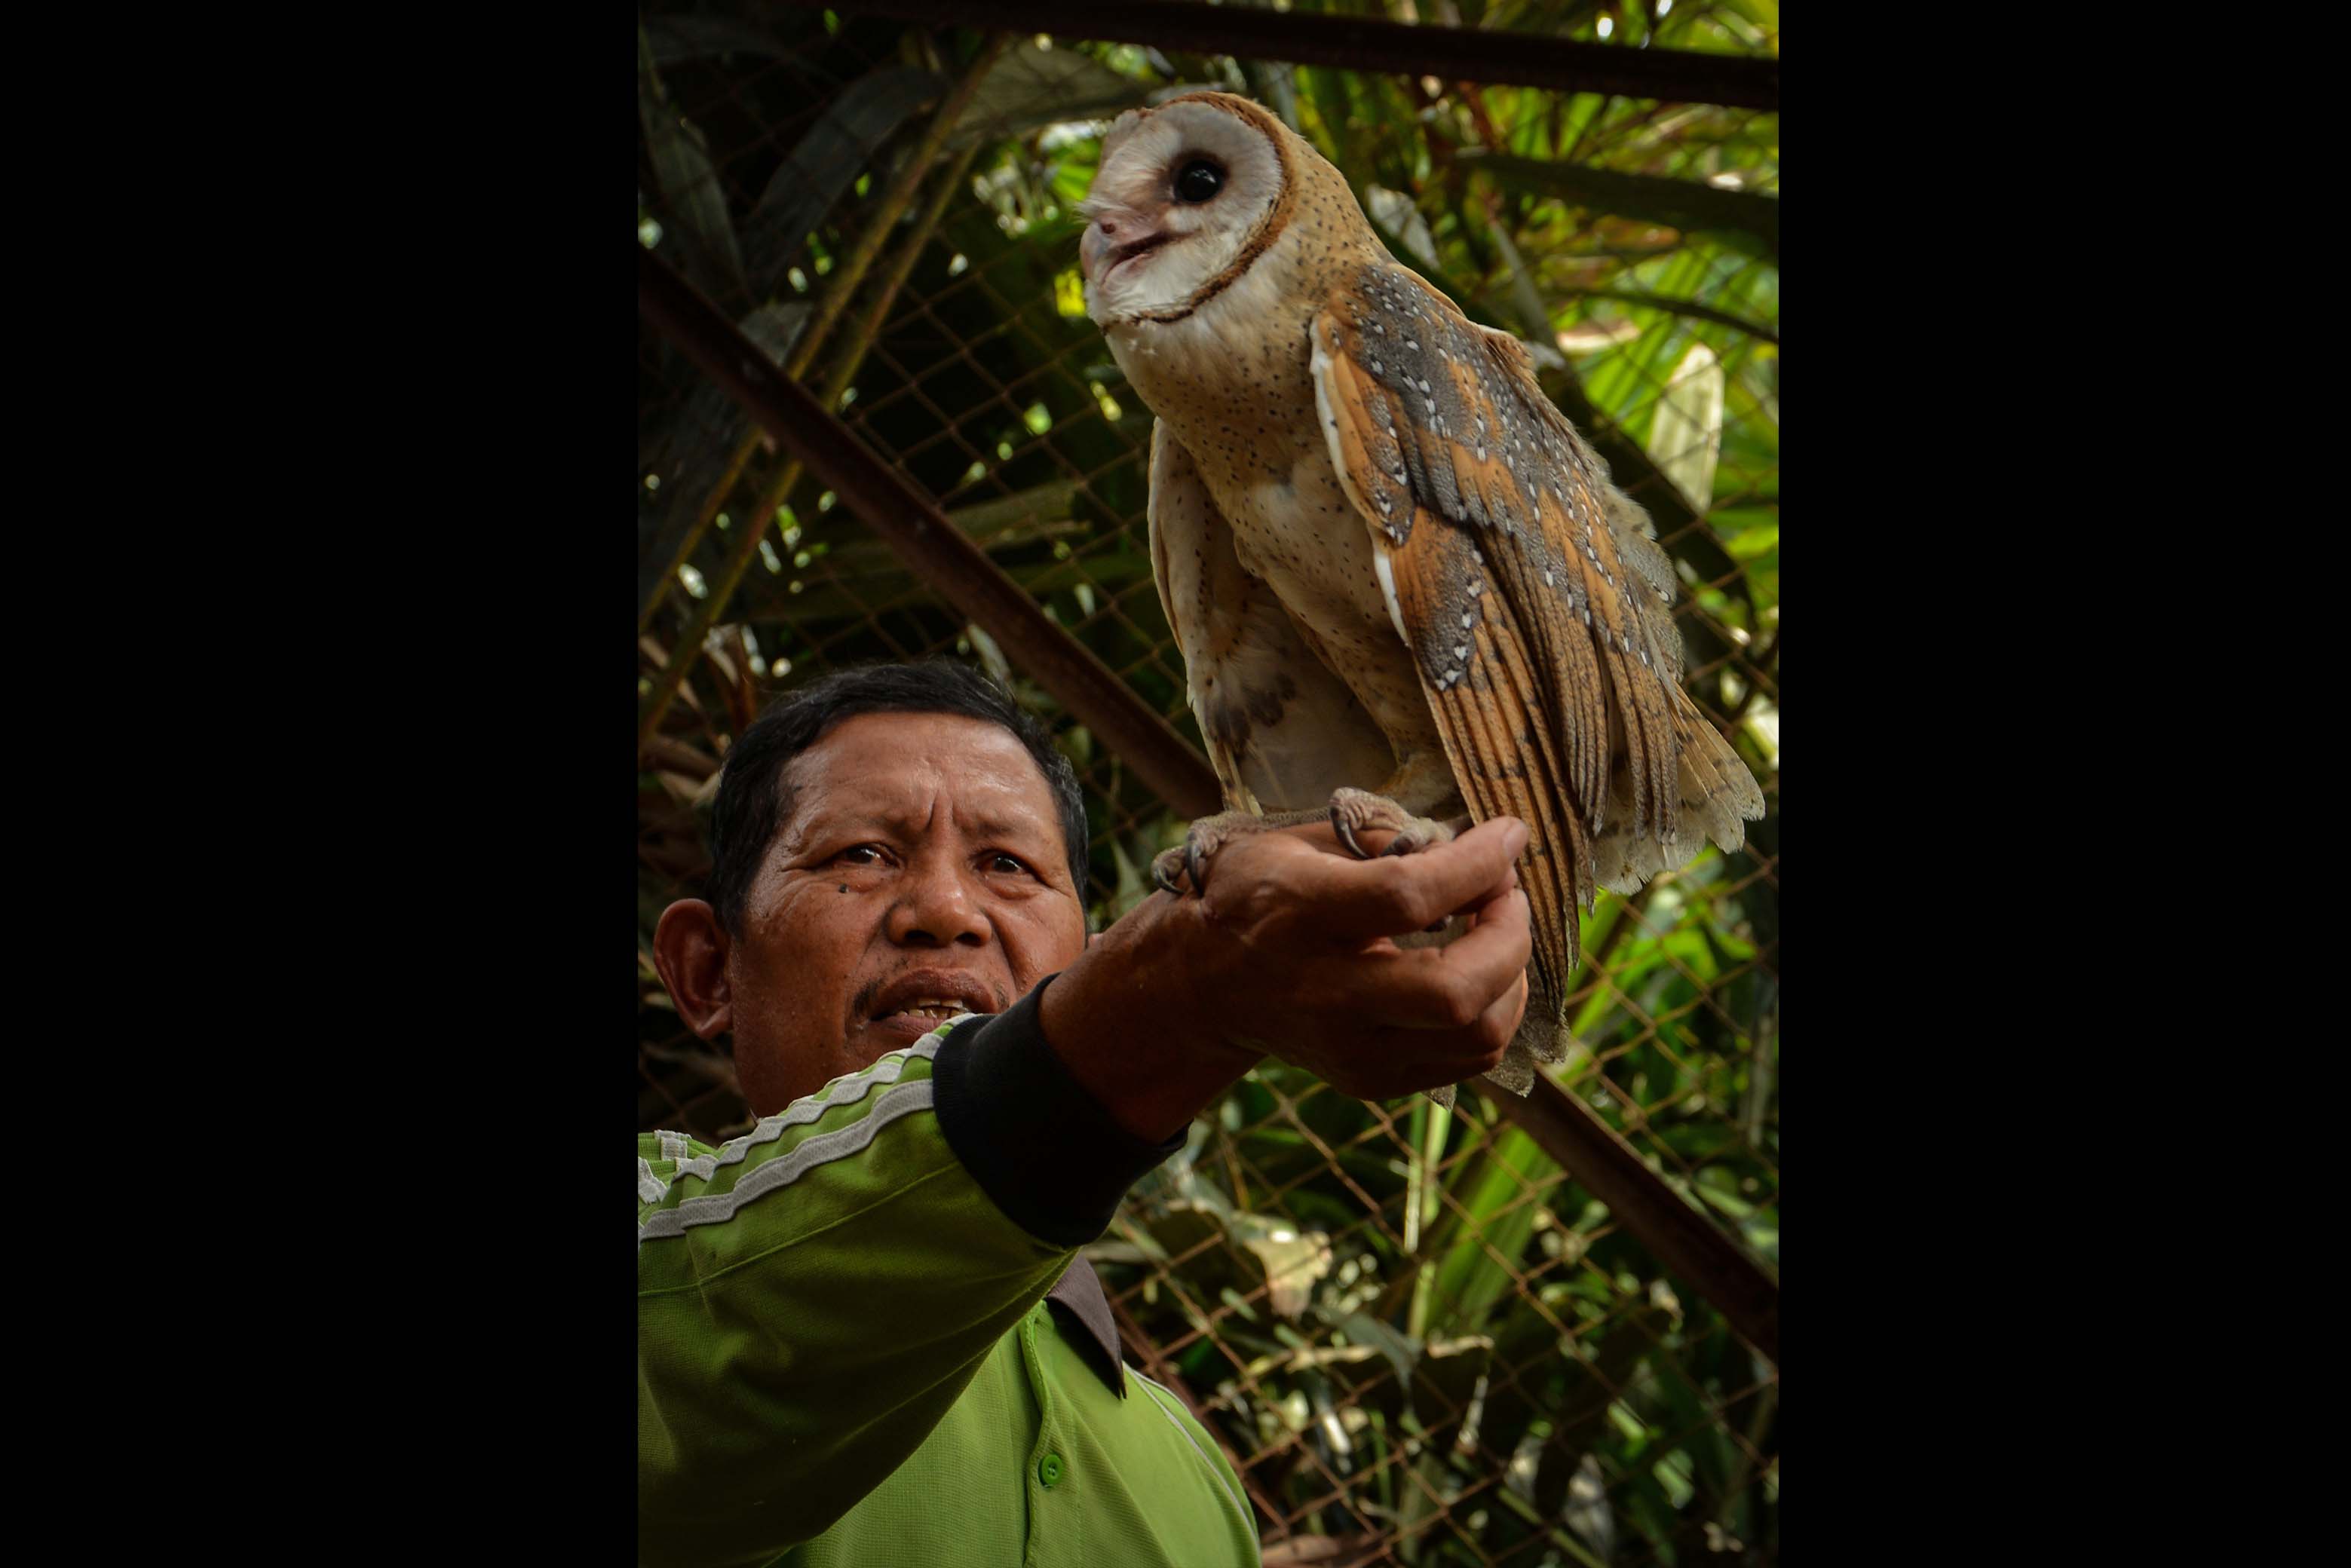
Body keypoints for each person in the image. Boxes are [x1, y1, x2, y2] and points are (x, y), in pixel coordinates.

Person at [641, 660, 1533, 1568]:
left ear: (1085, 957)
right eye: (859, 855)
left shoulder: (1194, 1489)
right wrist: (1167, 1004)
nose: (947, 911)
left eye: (1008, 865)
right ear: (709, 969)